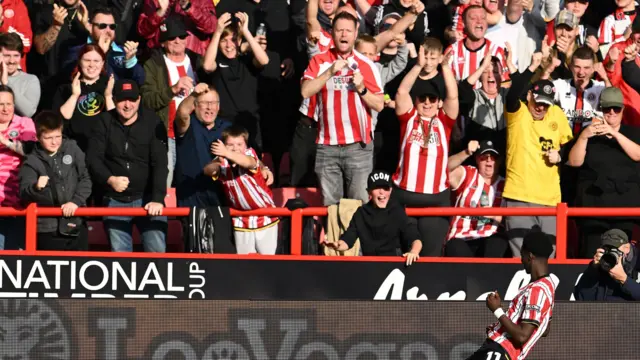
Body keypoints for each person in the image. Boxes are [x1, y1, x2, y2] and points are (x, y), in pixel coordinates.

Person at [301, 12, 384, 206]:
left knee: (360, 206)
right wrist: (330, 72)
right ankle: (332, 238)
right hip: (326, 146)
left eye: (348, 30)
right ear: (332, 33)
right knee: (330, 208)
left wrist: (362, 89)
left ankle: (356, 239)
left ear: (356, 33)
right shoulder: (319, 61)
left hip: (358, 146)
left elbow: (379, 104)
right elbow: (305, 91)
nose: (344, 35)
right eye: (339, 30)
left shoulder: (367, 65)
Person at [502, 53, 573, 258]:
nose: (541, 107)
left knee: (549, 259)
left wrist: (560, 155)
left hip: (550, 199)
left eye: (546, 104)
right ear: (530, 96)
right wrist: (532, 67)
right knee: (522, 260)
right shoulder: (519, 112)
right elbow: (513, 92)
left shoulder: (556, 114)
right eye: (538, 101)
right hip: (518, 195)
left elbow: (570, 145)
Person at [391, 45, 458, 256]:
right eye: (422, 99)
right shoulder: (408, 117)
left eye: (432, 99)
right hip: (404, 195)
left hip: (435, 198)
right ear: (416, 101)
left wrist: (445, 68)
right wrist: (418, 65)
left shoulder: (444, 122)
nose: (427, 103)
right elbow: (402, 92)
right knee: (403, 251)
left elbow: (453, 97)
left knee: (430, 254)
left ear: (439, 103)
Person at [87, 79, 169, 253]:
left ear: (139, 100)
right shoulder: (103, 122)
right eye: (123, 99)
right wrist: (110, 179)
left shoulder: (153, 122)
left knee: (157, 253)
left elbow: (160, 163)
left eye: (132, 99)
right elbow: (93, 158)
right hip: (115, 199)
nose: (127, 105)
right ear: (115, 100)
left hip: (148, 199)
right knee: (121, 257)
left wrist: (157, 198)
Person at [566, 87, 640, 258]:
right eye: (607, 108)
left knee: (620, 259)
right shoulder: (588, 133)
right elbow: (575, 162)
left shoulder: (634, 133)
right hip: (593, 209)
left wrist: (614, 134)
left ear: (623, 110)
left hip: (623, 210)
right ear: (601, 109)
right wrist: (584, 136)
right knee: (591, 257)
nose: (612, 113)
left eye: (616, 108)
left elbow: (637, 155)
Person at [466, 231, 556, 360]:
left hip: (501, 350)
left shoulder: (537, 290)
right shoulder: (548, 286)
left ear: (530, 256)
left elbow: (521, 336)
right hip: (499, 351)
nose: (521, 260)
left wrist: (497, 310)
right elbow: (544, 329)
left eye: (522, 255)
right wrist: (510, 317)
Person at [141, 16, 202, 187]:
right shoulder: (153, 65)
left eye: (181, 36)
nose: (177, 41)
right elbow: (147, 100)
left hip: (193, 135)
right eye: (171, 38)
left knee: (193, 185)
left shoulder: (197, 61)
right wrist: (173, 90)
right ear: (162, 42)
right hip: (165, 135)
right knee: (164, 186)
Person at [18, 111, 91, 251]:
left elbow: (85, 179)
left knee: (79, 270)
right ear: (38, 137)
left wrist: (75, 201)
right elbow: (23, 193)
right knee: (52, 272)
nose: (54, 142)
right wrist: (36, 187)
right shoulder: (31, 161)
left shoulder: (72, 148)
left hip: (76, 223)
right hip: (47, 229)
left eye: (58, 136)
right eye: (48, 137)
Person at [203, 125, 279, 255]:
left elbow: (248, 162)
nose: (235, 148)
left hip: (265, 217)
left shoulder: (249, 154)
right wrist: (218, 161)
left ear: (246, 146)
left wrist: (227, 153)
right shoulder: (223, 161)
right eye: (230, 144)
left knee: (269, 263)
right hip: (241, 219)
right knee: (244, 264)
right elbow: (207, 170)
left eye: (239, 144)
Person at [323, 170, 422, 265]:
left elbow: (414, 237)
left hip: (394, 265)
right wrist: (338, 245)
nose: (381, 192)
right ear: (369, 192)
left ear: (391, 190)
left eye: (385, 188)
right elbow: (348, 239)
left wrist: (414, 252)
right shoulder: (361, 213)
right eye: (376, 188)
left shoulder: (397, 210)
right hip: (369, 265)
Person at [445, 139, 507, 258]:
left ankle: (486, 277)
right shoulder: (468, 174)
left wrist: (495, 215)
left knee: (498, 242)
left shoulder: (506, 184)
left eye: (493, 157)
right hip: (462, 237)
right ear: (477, 159)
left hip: (491, 238)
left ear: (499, 161)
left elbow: (514, 221)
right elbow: (443, 169)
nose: (489, 160)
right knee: (455, 247)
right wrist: (466, 153)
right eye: (484, 157)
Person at [52, 44, 115, 153]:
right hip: (73, 149)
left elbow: (117, 123)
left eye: (96, 61)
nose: (91, 65)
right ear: (80, 62)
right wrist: (74, 96)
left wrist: (108, 96)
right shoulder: (65, 88)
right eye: (87, 60)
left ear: (103, 63)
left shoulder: (109, 86)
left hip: (102, 149)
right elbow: (58, 122)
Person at [62, 7, 144, 85]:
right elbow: (69, 77)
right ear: (90, 27)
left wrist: (131, 62)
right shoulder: (77, 50)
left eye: (112, 27)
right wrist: (100, 53)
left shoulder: (123, 51)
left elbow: (140, 81)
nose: (108, 31)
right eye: (102, 26)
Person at [0, 85, 36, 249]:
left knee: (16, 257)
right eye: (1, 104)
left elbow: (33, 152)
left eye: (9, 104)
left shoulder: (25, 123)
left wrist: (6, 142)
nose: (5, 109)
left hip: (18, 202)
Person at [574, 229, 640, 301]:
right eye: (607, 249)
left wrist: (624, 279)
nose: (611, 252)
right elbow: (581, 297)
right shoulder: (601, 265)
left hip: (631, 311)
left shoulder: (637, 262)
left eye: (615, 249)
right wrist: (593, 270)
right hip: (604, 311)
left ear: (627, 248)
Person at [137, 0, 217, 55]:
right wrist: (159, 14)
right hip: (160, 58)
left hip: (191, 58)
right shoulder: (153, 1)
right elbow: (142, 30)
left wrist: (189, 8)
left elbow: (211, 27)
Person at [0, 33, 40, 118]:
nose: (12, 61)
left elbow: (28, 112)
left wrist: (6, 83)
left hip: (16, 130)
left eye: (16, 56)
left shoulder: (30, 80)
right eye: (7, 55)